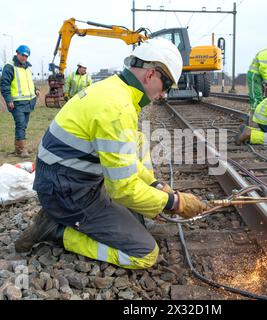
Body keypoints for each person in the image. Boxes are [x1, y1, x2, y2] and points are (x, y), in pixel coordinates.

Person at [14, 38, 208, 269]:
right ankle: (56, 230)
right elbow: (122, 189)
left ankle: (64, 218)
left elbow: (121, 161)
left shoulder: (114, 91)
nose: (164, 94)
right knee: (144, 253)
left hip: (67, 179)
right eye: (165, 86)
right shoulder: (117, 109)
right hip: (68, 193)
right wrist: (174, 203)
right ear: (151, 75)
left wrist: (156, 187)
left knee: (139, 141)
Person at [0, 45, 40, 158]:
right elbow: (4, 85)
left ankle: (19, 148)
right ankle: (22, 149)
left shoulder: (27, 68)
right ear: (17, 53)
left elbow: (29, 82)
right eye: (23, 55)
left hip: (28, 102)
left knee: (23, 125)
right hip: (16, 103)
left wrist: (36, 89)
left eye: (26, 56)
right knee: (21, 124)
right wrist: (8, 99)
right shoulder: (9, 67)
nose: (24, 58)